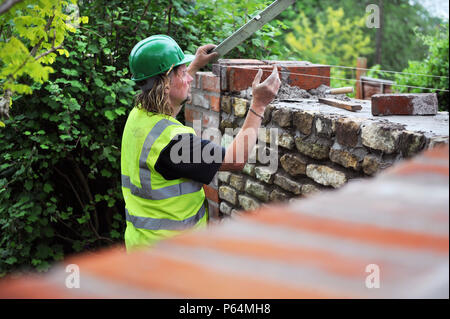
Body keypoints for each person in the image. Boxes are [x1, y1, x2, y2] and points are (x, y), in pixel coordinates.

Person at [122, 34, 280, 251]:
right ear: (166, 84)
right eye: (181, 72)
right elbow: (235, 160)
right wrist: (259, 105)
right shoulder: (173, 144)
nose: (188, 78)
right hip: (170, 255)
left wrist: (194, 65)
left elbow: (169, 100)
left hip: (142, 244)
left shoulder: (138, 116)